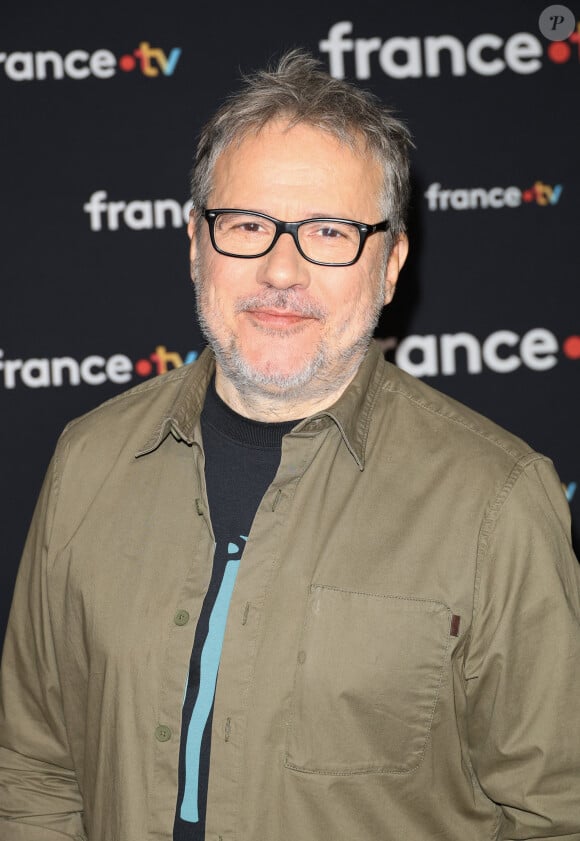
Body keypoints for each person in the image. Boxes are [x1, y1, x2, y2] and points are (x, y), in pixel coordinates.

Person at [1, 48, 579, 841]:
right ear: (197, 243)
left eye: (330, 232)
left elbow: (559, 811)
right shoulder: (87, 461)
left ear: (390, 266)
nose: (281, 269)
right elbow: (32, 768)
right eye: (246, 225)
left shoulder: (497, 500)